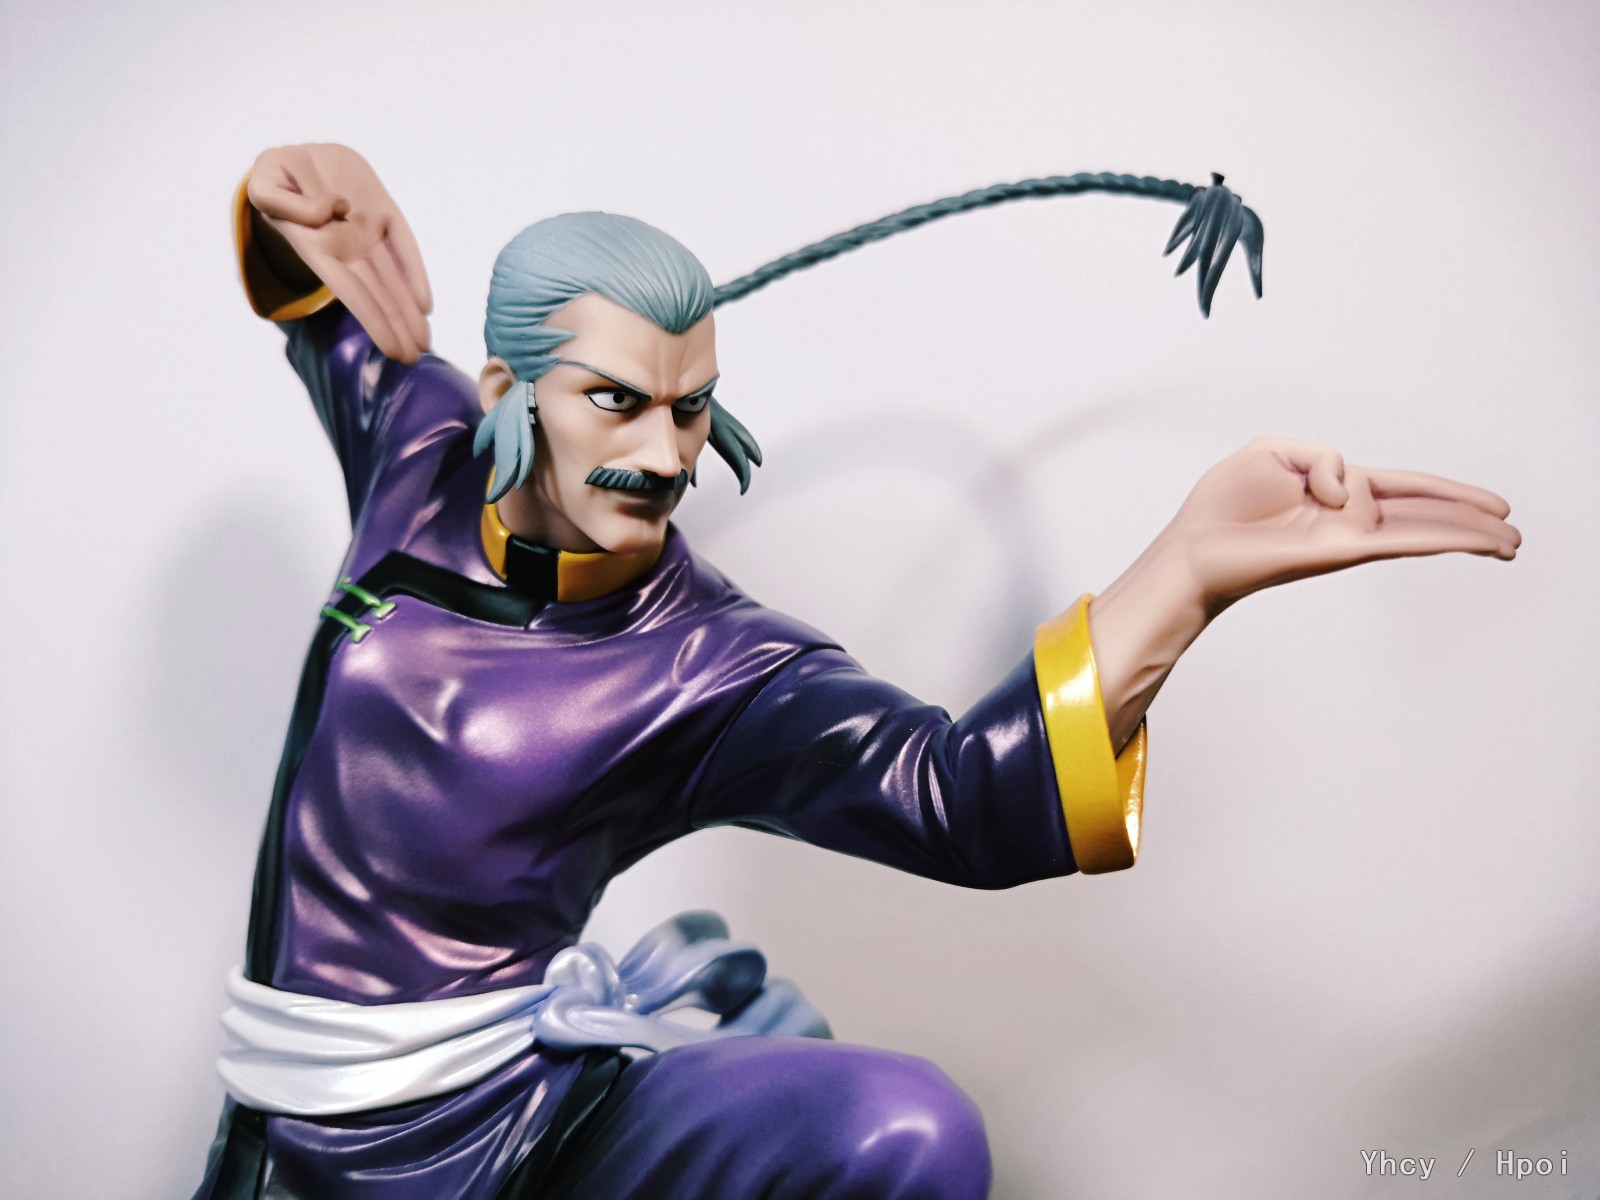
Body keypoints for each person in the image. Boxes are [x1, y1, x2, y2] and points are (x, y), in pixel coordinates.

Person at [195, 143, 1520, 1200]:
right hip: (294, 1151)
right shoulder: (416, 448)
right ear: (505, 388)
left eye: (690, 407)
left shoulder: (709, 660)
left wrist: (1185, 571)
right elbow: (315, 285)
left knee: (906, 1127)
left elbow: (964, 796)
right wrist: (290, 189)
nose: (663, 456)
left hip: (526, 1127)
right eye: (615, 400)